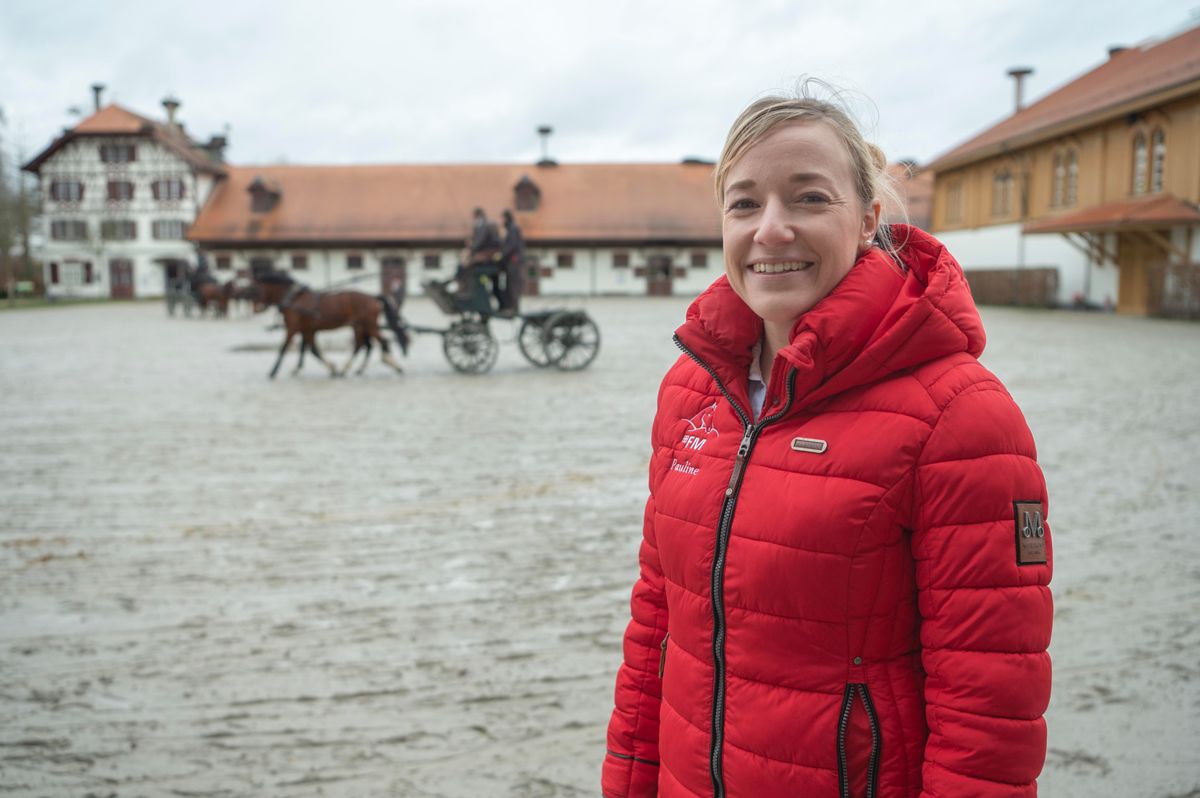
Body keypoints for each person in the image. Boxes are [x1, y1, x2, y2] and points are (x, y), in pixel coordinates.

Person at [602, 88, 1053, 798]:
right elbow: (657, 624)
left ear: (869, 218)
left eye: (809, 198)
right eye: (744, 204)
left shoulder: (961, 416)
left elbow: (990, 704)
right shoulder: (689, 392)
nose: (771, 229)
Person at [498, 209, 526, 313]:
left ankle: (514, 309)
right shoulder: (510, 228)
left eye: (501, 218)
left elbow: (512, 245)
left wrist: (502, 255)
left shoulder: (512, 229)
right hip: (511, 261)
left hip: (514, 261)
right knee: (510, 284)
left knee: (513, 285)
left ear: (505, 218)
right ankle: (511, 307)